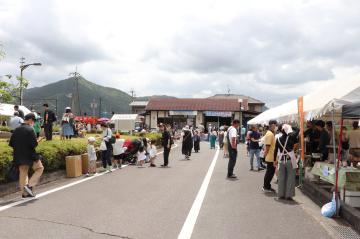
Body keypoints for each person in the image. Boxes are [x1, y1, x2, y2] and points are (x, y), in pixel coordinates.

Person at [9, 113, 44, 198]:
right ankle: (29, 186)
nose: (34, 123)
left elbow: (11, 143)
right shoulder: (30, 129)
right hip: (30, 155)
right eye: (34, 121)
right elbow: (34, 144)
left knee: (23, 173)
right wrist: (38, 140)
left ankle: (24, 193)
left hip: (18, 155)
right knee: (40, 168)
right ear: (31, 120)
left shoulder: (16, 129)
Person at [274, 124, 298, 200]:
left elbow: (275, 151)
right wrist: (290, 126)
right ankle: (288, 195)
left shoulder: (278, 139)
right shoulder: (292, 138)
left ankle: (281, 194)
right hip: (291, 159)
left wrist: (275, 160)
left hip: (281, 159)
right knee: (291, 177)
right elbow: (298, 129)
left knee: (281, 178)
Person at [263, 120, 277, 193]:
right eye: (275, 125)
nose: (276, 127)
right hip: (270, 157)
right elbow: (267, 147)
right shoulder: (269, 134)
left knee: (270, 172)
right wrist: (264, 156)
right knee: (269, 173)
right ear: (272, 125)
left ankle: (267, 186)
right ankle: (266, 186)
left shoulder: (271, 133)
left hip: (271, 156)